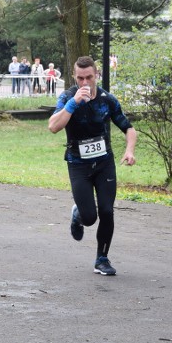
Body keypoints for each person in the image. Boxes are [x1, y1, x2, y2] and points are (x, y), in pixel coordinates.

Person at [47, 56, 136, 276]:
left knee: (106, 211)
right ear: (75, 77)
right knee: (89, 217)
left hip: (104, 163)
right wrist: (73, 104)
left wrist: (129, 150)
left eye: (89, 77)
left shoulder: (107, 99)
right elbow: (53, 127)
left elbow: (129, 128)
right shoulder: (68, 97)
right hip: (78, 165)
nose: (85, 82)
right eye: (80, 78)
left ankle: (102, 259)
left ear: (96, 75)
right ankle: (78, 213)